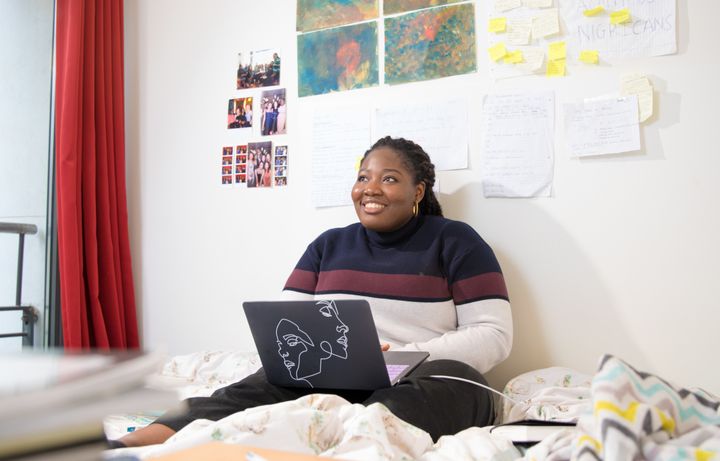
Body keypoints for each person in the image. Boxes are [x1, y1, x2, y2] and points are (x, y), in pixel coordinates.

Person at [116, 136, 512, 447]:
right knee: (252, 385)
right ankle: (139, 442)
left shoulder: (456, 241)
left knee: (456, 380)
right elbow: (287, 321)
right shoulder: (329, 244)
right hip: (329, 369)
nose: (370, 188)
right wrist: (327, 354)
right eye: (363, 177)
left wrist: (404, 357)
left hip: (416, 373)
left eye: (389, 178)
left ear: (419, 192)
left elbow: (494, 336)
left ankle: (350, 439)